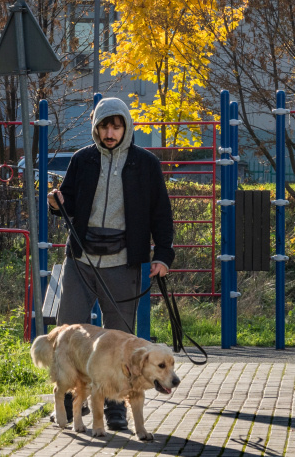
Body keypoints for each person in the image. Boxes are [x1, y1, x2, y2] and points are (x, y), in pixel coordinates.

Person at [47, 97, 176, 430]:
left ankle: (117, 409)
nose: (110, 132)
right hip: (81, 259)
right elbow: (68, 203)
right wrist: (56, 202)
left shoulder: (146, 164)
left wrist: (162, 255)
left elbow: (161, 213)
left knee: (121, 342)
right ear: (96, 127)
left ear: (126, 127)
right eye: (104, 125)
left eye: (116, 126)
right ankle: (68, 403)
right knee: (68, 333)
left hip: (123, 262)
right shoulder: (82, 159)